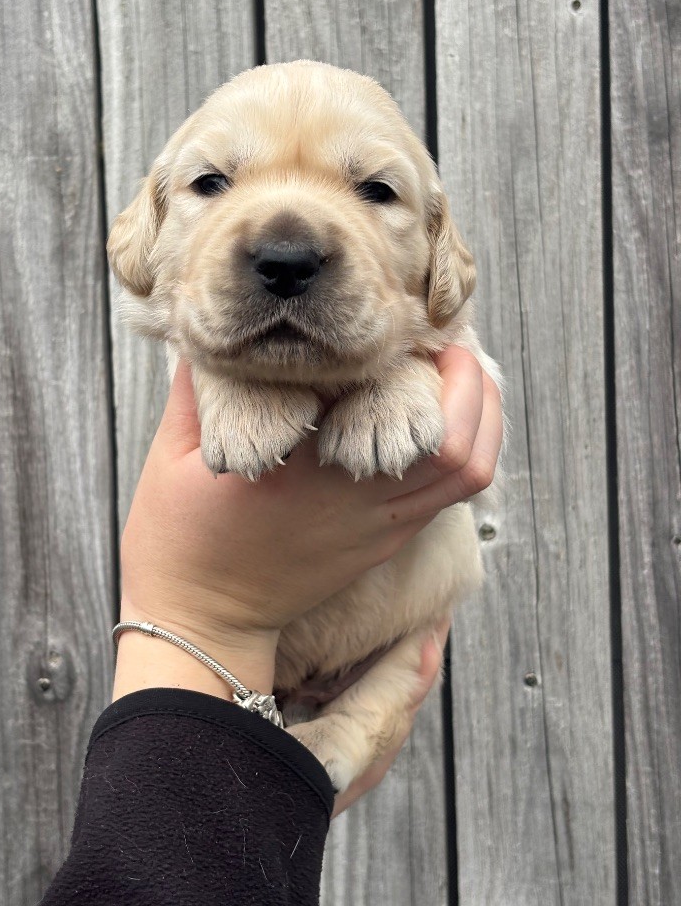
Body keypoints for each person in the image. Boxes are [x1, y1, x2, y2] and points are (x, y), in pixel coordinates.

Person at [39, 346, 502, 905]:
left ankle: (353, 728)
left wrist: (404, 374)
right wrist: (206, 620)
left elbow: (458, 361)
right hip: (252, 701)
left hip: (376, 655)